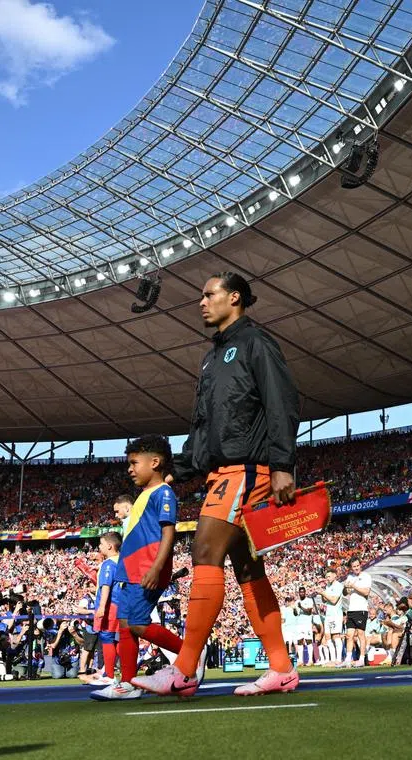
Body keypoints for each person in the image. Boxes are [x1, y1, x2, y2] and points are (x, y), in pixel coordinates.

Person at [136, 272, 300, 698]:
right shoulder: (212, 356)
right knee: (247, 568)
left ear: (235, 298)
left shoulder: (256, 343)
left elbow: (282, 402)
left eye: (209, 294)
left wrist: (282, 464)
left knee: (206, 550)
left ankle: (185, 670)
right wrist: (183, 469)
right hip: (222, 470)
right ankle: (281, 670)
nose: (201, 302)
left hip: (248, 470)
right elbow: (205, 424)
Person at [92, 436, 185, 700]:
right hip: (131, 571)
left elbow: (169, 533)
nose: (130, 469)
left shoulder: (163, 493)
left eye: (134, 463)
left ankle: (189, 652)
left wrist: (157, 568)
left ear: (155, 462)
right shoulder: (145, 494)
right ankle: (128, 683)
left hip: (146, 570)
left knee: (137, 625)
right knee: (125, 625)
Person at [86, 531, 122, 686]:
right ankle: (119, 671)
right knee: (120, 638)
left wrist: (101, 607)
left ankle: (109, 673)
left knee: (107, 637)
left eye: (101, 544)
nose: (99, 547)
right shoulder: (123, 561)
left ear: (109, 546)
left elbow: (106, 586)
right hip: (121, 603)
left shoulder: (108, 564)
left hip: (110, 606)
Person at [341, 557, 372, 668]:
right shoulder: (350, 577)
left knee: (360, 634)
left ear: (360, 565)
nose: (356, 568)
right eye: (354, 566)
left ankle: (362, 659)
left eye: (357, 565)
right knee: (349, 635)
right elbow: (345, 593)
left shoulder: (366, 576)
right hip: (351, 609)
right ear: (351, 568)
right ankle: (348, 660)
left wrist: (353, 585)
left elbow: (366, 592)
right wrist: (345, 587)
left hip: (361, 609)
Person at [316, 566, 344, 666]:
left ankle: (338, 659)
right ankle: (332, 660)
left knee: (336, 636)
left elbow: (333, 600)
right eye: (326, 576)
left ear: (335, 576)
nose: (327, 578)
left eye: (329, 576)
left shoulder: (338, 585)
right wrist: (321, 593)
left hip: (336, 614)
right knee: (328, 637)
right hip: (328, 614)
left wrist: (323, 593)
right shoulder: (328, 586)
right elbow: (325, 600)